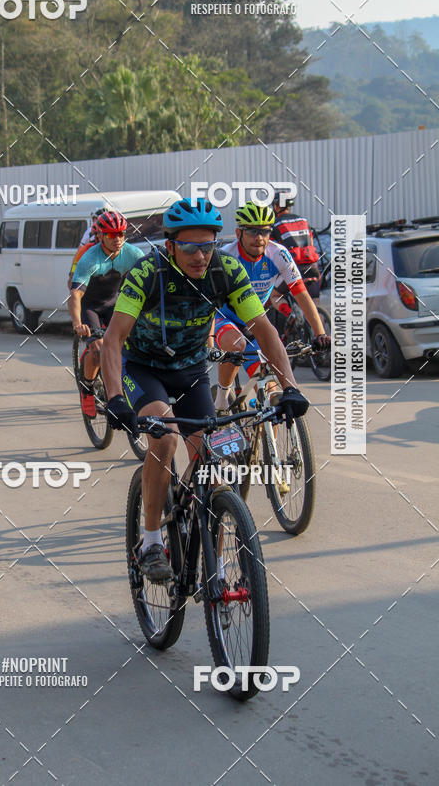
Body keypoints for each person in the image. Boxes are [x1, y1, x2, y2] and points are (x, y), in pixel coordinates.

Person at [101, 198, 308, 582]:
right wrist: (115, 399)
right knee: (165, 439)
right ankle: (149, 542)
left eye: (208, 245)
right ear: (170, 247)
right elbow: (113, 340)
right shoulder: (146, 273)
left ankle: (212, 567)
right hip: (143, 368)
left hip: (191, 370)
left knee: (212, 459)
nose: (200, 256)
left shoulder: (226, 271)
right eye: (190, 247)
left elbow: (264, 329)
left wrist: (290, 387)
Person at [213, 202, 332, 411]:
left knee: (273, 395)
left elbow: (302, 295)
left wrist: (320, 332)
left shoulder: (278, 254)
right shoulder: (226, 256)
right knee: (236, 345)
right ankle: (222, 399)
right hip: (226, 317)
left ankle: (270, 439)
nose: (259, 237)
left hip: (256, 320)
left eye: (265, 231)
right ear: (239, 232)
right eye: (252, 231)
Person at [68, 210, 144, 416]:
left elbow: (150, 283)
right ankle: (87, 388)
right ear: (100, 235)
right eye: (111, 235)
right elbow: (75, 295)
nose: (117, 239)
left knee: (133, 344)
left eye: (121, 233)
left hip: (114, 304)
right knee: (98, 350)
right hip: (90, 306)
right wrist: (77, 323)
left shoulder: (133, 254)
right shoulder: (89, 258)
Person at [271, 190, 321, 298]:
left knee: (274, 295)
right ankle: (320, 314)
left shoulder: (276, 224)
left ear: (276, 206)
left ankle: (292, 315)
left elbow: (268, 246)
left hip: (293, 268)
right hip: (313, 267)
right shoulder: (304, 221)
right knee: (315, 302)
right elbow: (311, 243)